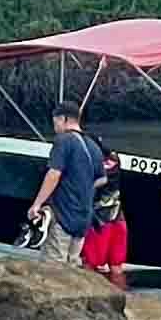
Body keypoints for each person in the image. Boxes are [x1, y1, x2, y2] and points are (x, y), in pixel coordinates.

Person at [25, 105, 110, 263]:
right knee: (71, 268)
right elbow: (102, 178)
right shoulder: (93, 146)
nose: (55, 127)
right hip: (83, 218)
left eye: (55, 122)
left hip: (63, 215)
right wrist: (82, 186)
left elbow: (54, 174)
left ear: (63, 119)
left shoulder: (64, 140)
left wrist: (37, 204)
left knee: (53, 267)